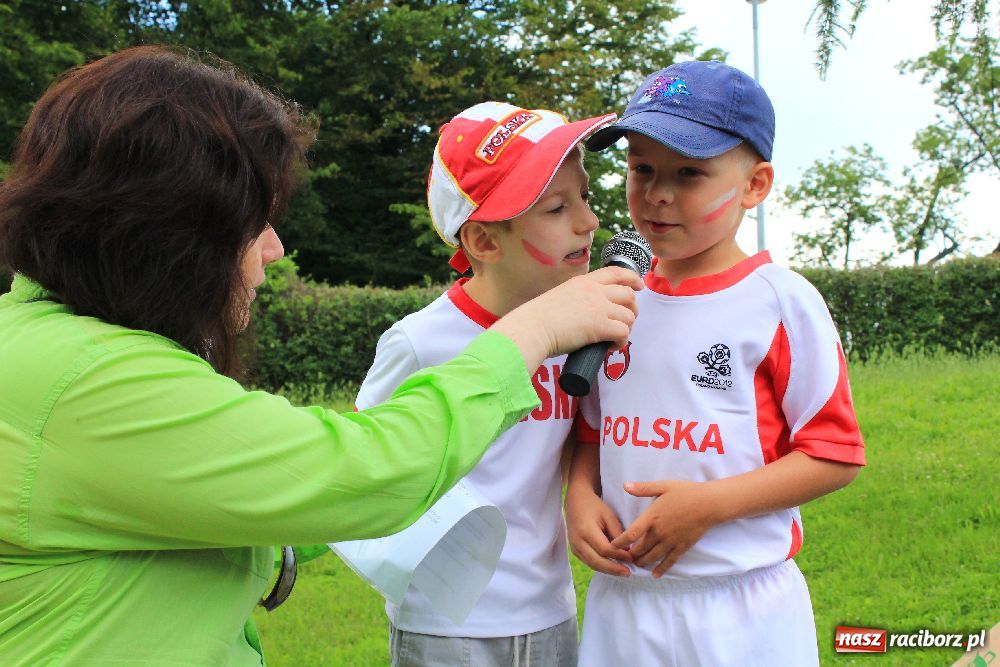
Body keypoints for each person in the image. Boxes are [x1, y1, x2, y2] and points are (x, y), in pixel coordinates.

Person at [0, 46, 643, 665]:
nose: (274, 251)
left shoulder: (66, 350)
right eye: (253, 224)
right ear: (168, 236)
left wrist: (268, 548)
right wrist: (531, 334)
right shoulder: (88, 379)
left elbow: (222, 491)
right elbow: (367, 468)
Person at [565, 60, 867, 666]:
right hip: (622, 603)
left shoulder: (781, 301)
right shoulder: (612, 295)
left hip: (742, 608)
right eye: (641, 168)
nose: (657, 193)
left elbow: (834, 455)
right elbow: (591, 426)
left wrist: (710, 505)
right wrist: (577, 493)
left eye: (689, 173)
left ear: (756, 185)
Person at [355, 101, 616, 667]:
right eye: (557, 208)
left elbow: (582, 433)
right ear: (484, 242)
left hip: (551, 610)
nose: (589, 221)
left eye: (585, 197)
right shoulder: (421, 342)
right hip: (448, 625)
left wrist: (582, 489)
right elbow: (363, 465)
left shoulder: (584, 329)